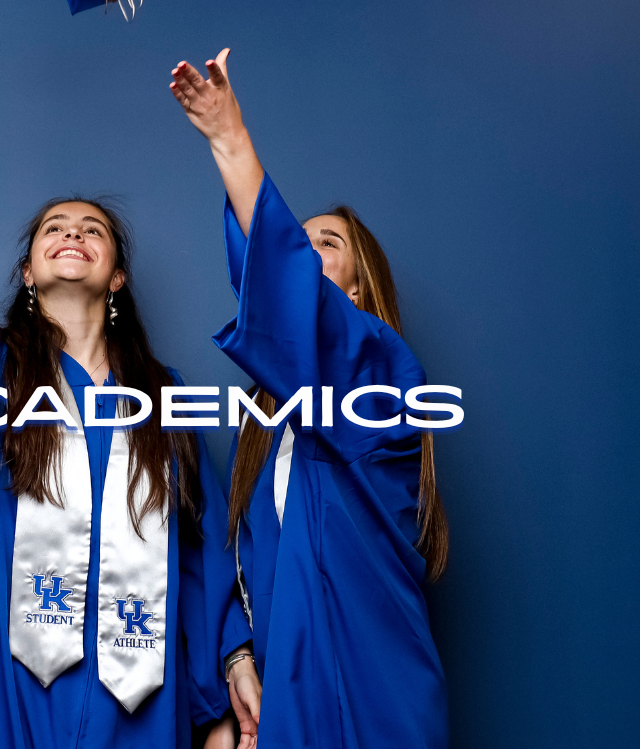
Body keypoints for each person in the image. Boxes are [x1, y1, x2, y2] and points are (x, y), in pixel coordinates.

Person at [0, 39, 260, 749]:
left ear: (117, 277)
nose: (72, 233)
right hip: (12, 692)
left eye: (92, 230)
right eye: (54, 229)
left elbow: (197, 553)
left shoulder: (161, 396)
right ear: (29, 273)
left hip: (141, 696)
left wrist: (232, 665)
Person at [169, 49, 449, 749]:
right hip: (292, 694)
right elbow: (247, 575)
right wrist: (240, 669)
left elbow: (288, 287)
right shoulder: (264, 438)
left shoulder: (381, 379)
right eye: (297, 240)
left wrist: (230, 139)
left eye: (324, 245)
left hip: (371, 684)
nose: (300, 249)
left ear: (357, 289)